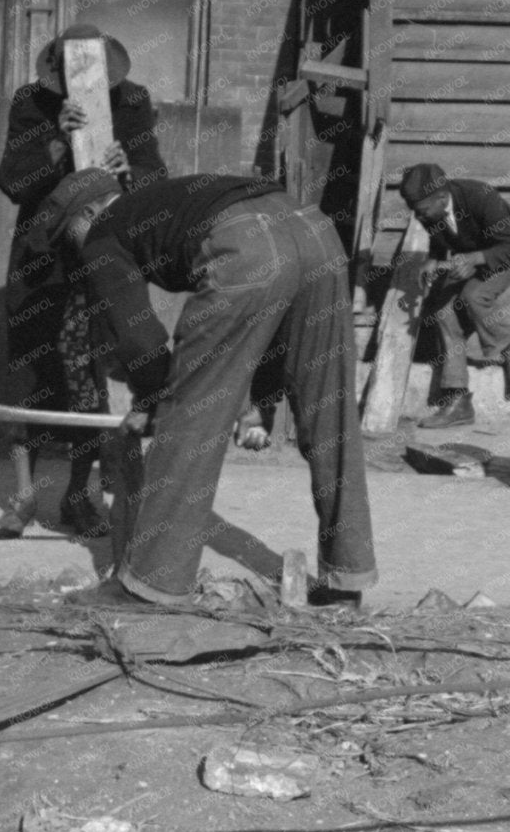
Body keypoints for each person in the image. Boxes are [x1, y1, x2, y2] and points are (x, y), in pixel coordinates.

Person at [29, 169, 377, 611]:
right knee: (330, 411)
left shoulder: (103, 232)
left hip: (245, 243)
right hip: (315, 230)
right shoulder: (161, 200)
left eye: (69, 235)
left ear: (89, 212)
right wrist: (257, 394)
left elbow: (139, 339)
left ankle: (151, 585)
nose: (76, 249)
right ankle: (346, 579)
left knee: (189, 422)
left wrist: (155, 400)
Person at [0, 24, 167, 539]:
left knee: (86, 370)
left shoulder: (132, 101)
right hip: (42, 256)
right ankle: (23, 498)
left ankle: (77, 495)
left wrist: (128, 169)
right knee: (30, 369)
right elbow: (12, 180)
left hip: (103, 250)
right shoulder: (32, 102)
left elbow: (154, 174)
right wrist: (53, 143)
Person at [399, 162, 510, 430]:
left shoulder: (480, 197)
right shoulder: (428, 211)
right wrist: (433, 259)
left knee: (474, 295)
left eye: (422, 210)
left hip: (508, 254)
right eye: (415, 211)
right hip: (470, 259)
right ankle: (458, 399)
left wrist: (477, 258)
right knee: (444, 313)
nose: (418, 217)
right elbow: (439, 239)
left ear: (441, 197)